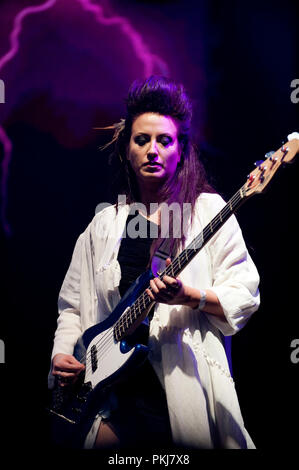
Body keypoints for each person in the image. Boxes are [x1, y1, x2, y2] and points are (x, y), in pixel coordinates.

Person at [48, 75, 260, 449]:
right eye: (141, 140)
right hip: (109, 404)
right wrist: (64, 355)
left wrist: (190, 295)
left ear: (181, 149)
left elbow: (244, 291)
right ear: (126, 149)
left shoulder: (208, 211)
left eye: (164, 140)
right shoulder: (105, 223)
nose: (152, 150)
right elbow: (71, 305)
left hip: (182, 390)